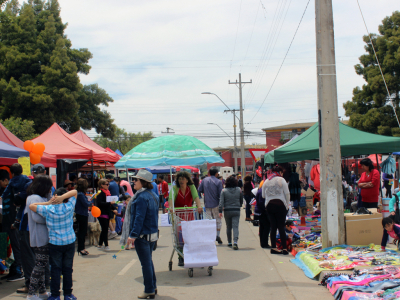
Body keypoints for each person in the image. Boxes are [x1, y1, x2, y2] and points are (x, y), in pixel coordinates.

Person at [29, 188, 78, 300]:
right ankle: (68, 294)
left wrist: (48, 202)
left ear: (54, 196)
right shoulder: (69, 207)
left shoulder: (48, 209)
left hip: (55, 244)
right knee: (67, 269)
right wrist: (62, 198)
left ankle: (55, 295)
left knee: (55, 270)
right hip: (69, 242)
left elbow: (32, 206)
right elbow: (75, 192)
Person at [120, 169, 159, 299]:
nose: (133, 182)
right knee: (148, 261)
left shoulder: (141, 197)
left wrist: (133, 235)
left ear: (143, 182)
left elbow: (139, 218)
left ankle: (149, 289)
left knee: (146, 263)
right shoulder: (153, 195)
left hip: (143, 235)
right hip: (152, 234)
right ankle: (152, 286)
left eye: (135, 179)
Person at [17, 164, 49, 294]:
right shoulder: (38, 196)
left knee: (36, 261)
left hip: (33, 232)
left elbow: (37, 218)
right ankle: (39, 289)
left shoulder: (35, 195)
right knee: (40, 262)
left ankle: (32, 288)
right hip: (35, 232)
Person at [25, 175, 56, 299]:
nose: (51, 189)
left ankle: (42, 292)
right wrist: (52, 218)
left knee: (41, 265)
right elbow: (36, 217)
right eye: (49, 186)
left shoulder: (34, 197)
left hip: (38, 237)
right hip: (40, 237)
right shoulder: (35, 198)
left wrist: (48, 199)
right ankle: (31, 294)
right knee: (39, 266)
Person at [1, 163, 32, 282]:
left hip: (11, 218)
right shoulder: (27, 181)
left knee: (16, 246)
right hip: (17, 216)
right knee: (14, 246)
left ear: (11, 174)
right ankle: (15, 270)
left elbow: (4, 196)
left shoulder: (11, 184)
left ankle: (19, 271)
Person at [168, 171, 202, 266]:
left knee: (190, 235)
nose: (181, 181)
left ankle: (190, 254)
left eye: (183, 179)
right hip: (178, 215)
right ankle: (181, 256)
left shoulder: (191, 187)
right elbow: (171, 198)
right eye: (179, 179)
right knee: (180, 236)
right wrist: (171, 208)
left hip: (189, 214)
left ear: (187, 180)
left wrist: (199, 206)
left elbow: (196, 197)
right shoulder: (175, 188)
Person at [262, 165, 290, 255]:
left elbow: (263, 195)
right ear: (280, 172)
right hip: (281, 205)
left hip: (269, 205)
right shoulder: (281, 180)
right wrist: (287, 205)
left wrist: (270, 195)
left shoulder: (266, 180)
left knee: (273, 227)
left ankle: (273, 247)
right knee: (281, 227)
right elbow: (287, 193)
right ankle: (284, 248)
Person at [198, 166, 223, 244]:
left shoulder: (204, 180)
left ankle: (210, 237)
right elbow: (220, 194)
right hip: (216, 204)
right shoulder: (218, 182)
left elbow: (199, 190)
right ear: (216, 174)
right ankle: (217, 235)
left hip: (207, 204)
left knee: (208, 221)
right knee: (218, 221)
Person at [219, 176, 243, 250]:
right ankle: (235, 242)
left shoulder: (223, 191)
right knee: (235, 226)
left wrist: (220, 211)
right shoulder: (239, 190)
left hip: (227, 210)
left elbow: (221, 203)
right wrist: (239, 205)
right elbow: (241, 200)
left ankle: (229, 242)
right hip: (236, 210)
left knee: (228, 226)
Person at [96, 179, 115, 250]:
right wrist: (110, 203)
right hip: (101, 213)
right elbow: (99, 203)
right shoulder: (100, 193)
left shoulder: (107, 192)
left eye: (108, 184)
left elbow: (110, 202)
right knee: (105, 229)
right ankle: (106, 245)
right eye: (106, 184)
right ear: (102, 185)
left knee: (104, 229)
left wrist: (114, 208)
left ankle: (100, 245)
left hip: (107, 213)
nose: (108, 185)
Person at [75, 178, 92, 256]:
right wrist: (90, 202)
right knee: (82, 232)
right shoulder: (81, 194)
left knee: (82, 232)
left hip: (81, 213)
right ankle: (81, 248)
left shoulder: (79, 193)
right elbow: (86, 204)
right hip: (82, 214)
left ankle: (82, 248)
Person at [255, 180, 271, 249]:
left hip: (260, 211)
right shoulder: (263, 191)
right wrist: (266, 208)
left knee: (262, 227)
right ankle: (264, 243)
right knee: (266, 227)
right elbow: (262, 202)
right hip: (263, 211)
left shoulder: (260, 190)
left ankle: (263, 243)